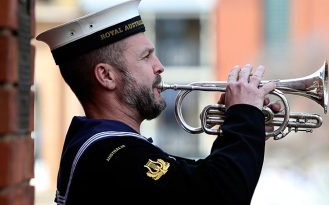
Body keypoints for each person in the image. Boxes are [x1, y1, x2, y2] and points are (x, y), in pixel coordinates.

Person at [36, 0, 280, 204]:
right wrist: (244, 119)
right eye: (146, 57)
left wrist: (240, 127)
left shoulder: (107, 149)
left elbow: (194, 183)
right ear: (107, 76)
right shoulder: (112, 154)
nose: (159, 66)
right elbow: (219, 196)